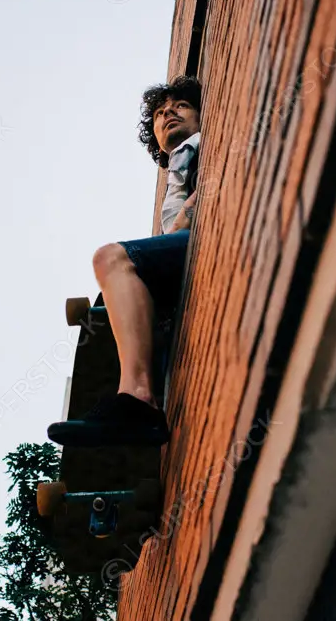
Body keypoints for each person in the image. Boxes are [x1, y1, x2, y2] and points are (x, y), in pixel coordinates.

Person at [47, 75, 202, 447]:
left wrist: (185, 217)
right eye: (161, 113)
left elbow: (216, 183)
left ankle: (136, 398)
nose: (169, 114)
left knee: (110, 257)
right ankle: (142, 409)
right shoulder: (174, 176)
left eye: (180, 106)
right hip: (184, 269)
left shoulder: (204, 144)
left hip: (201, 240)